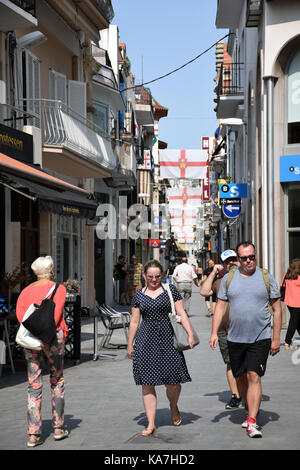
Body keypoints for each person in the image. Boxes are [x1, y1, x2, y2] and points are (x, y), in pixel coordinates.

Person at [209, 241, 282, 438]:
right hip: (235, 337)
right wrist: (214, 332)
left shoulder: (266, 277)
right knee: (240, 377)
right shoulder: (229, 279)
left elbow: (277, 309)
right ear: (238, 259)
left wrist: (276, 337)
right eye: (244, 258)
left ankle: (251, 421)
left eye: (252, 257)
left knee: (253, 376)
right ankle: (250, 408)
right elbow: (220, 307)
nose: (249, 261)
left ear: (255, 256)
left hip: (260, 337)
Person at [127, 259, 195, 436]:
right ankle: (151, 424)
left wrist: (189, 334)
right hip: (145, 339)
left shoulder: (170, 290)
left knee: (172, 381)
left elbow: (181, 313)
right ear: (144, 276)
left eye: (157, 276)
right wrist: (130, 344)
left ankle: (173, 405)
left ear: (163, 275)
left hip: (168, 338)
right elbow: (134, 321)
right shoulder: (139, 295)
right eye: (150, 276)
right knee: (147, 382)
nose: (154, 280)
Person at [16, 256, 69, 448]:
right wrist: (45, 334)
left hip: (31, 341)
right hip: (53, 338)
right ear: (52, 271)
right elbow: (56, 316)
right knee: (57, 380)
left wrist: (34, 333)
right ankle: (58, 427)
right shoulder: (59, 289)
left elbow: (21, 316)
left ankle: (34, 433)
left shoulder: (25, 291)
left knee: (33, 384)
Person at [200, 249, 242, 409]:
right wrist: (213, 272)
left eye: (233, 260)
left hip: (244, 329)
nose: (231, 263)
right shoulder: (219, 280)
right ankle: (236, 395)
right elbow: (204, 291)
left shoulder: (247, 277)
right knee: (231, 363)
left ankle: (246, 392)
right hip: (224, 329)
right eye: (227, 261)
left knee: (245, 364)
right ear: (223, 264)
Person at [281, 258, 300, 350]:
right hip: (298, 303)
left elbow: (282, 287)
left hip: (289, 302)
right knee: (294, 322)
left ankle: (287, 341)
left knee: (297, 321)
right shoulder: (299, 276)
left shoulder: (287, 275)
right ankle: (287, 341)